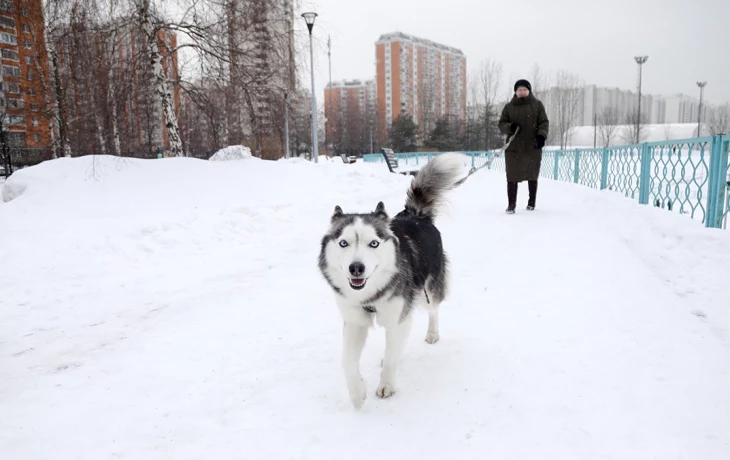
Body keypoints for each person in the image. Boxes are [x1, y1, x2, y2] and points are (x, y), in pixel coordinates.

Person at [498, 79, 549, 214]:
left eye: (524, 89)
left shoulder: (537, 105)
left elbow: (543, 122)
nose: (522, 92)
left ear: (529, 91)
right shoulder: (509, 107)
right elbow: (501, 124)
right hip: (514, 147)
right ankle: (511, 205)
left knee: (532, 174)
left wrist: (541, 136)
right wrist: (511, 127)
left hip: (532, 146)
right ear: (515, 91)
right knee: (512, 176)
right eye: (519, 89)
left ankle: (531, 202)